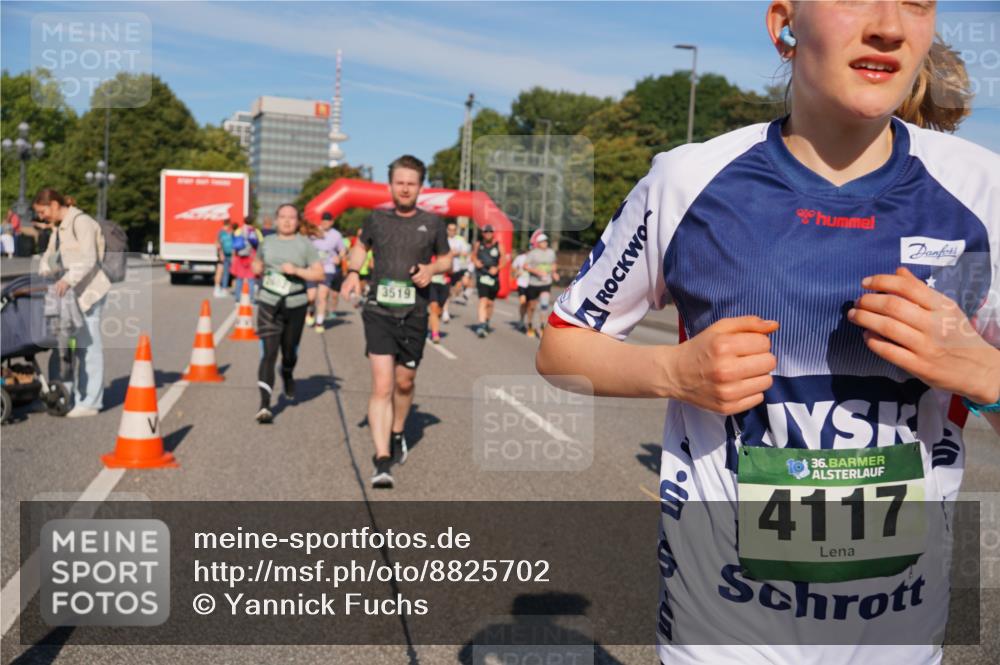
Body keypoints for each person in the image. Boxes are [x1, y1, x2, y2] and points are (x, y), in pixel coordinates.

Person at [538, 2, 999, 663]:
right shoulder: (690, 180)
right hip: (722, 621)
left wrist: (985, 374)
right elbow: (560, 348)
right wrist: (673, 374)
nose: (890, 26)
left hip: (895, 630)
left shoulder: (983, 193)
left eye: (916, 1)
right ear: (784, 22)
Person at [341, 155, 450, 489]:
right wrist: (351, 273)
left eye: (411, 183)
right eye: (400, 182)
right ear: (391, 184)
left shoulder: (433, 223)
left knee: (405, 382)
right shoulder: (376, 218)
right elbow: (360, 249)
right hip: (378, 311)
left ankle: (399, 428)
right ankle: (382, 458)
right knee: (382, 385)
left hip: (415, 313)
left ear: (420, 187)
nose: (405, 188)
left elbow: (446, 259)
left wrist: (431, 270)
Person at [34, 189, 111, 418]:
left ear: (55, 204)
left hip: (89, 293)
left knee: (88, 347)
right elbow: (49, 257)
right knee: (63, 346)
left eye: (43, 211)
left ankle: (90, 402)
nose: (41, 217)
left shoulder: (82, 222)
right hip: (67, 297)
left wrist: (67, 279)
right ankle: (63, 395)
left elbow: (89, 258)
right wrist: (43, 271)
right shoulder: (57, 229)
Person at [251, 203, 324, 424]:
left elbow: (319, 273)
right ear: (276, 219)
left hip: (296, 303)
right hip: (269, 302)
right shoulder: (268, 242)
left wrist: (297, 271)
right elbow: (258, 262)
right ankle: (265, 405)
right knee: (269, 353)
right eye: (282, 217)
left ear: (298, 221)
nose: (286, 221)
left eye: (291, 218)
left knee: (289, 351)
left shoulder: (305, 245)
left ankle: (288, 372)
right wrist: (257, 268)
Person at [306, 212, 346, 332]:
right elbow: (304, 245)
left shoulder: (336, 235)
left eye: (328, 221)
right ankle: (311, 311)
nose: (325, 223)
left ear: (332, 222)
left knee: (322, 296)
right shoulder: (314, 232)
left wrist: (339, 258)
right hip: (312, 268)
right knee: (311, 296)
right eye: (323, 220)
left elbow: (343, 249)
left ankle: (319, 323)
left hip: (328, 268)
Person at [471, 225, 509, 338]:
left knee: (490, 303)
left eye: (490, 232)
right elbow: (472, 256)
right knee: (483, 300)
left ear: (493, 233)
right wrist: (476, 261)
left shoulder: (498, 245)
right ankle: (482, 324)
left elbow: (504, 260)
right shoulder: (479, 244)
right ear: (483, 233)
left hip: (493, 278)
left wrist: (497, 268)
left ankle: (487, 321)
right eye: (485, 232)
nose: (488, 234)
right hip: (482, 275)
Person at [523, 233, 559, 338]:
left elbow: (553, 264)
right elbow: (525, 266)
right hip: (534, 283)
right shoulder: (533, 253)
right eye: (543, 241)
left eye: (546, 241)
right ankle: (529, 324)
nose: (545, 243)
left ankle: (542, 326)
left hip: (546, 282)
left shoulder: (551, 252)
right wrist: (536, 271)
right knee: (531, 306)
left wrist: (554, 273)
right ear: (538, 243)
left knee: (544, 304)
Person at [444, 220, 472, 322]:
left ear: (456, 231)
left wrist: (457, 253)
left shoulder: (460, 239)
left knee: (456, 290)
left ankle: (458, 296)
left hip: (458, 269)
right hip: (446, 270)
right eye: (450, 229)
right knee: (446, 292)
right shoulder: (443, 239)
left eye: (454, 230)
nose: (451, 231)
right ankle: (445, 312)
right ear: (447, 230)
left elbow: (465, 253)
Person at [231, 218, 262, 302]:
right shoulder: (255, 231)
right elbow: (261, 242)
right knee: (251, 279)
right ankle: (252, 298)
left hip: (240, 257)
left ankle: (237, 297)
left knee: (239, 278)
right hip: (251, 256)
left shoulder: (239, 230)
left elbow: (234, 242)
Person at [213, 218, 234, 298]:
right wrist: (221, 253)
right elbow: (217, 243)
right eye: (229, 225)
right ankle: (217, 288)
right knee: (220, 271)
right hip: (223, 255)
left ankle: (224, 289)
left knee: (227, 272)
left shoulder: (230, 232)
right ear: (227, 224)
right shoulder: (221, 233)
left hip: (229, 255)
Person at [511, 250, 530, 332]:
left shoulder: (536, 258)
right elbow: (513, 267)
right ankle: (521, 320)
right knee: (523, 302)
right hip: (522, 283)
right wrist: (516, 272)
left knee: (529, 304)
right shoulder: (520, 257)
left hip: (532, 284)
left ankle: (528, 322)